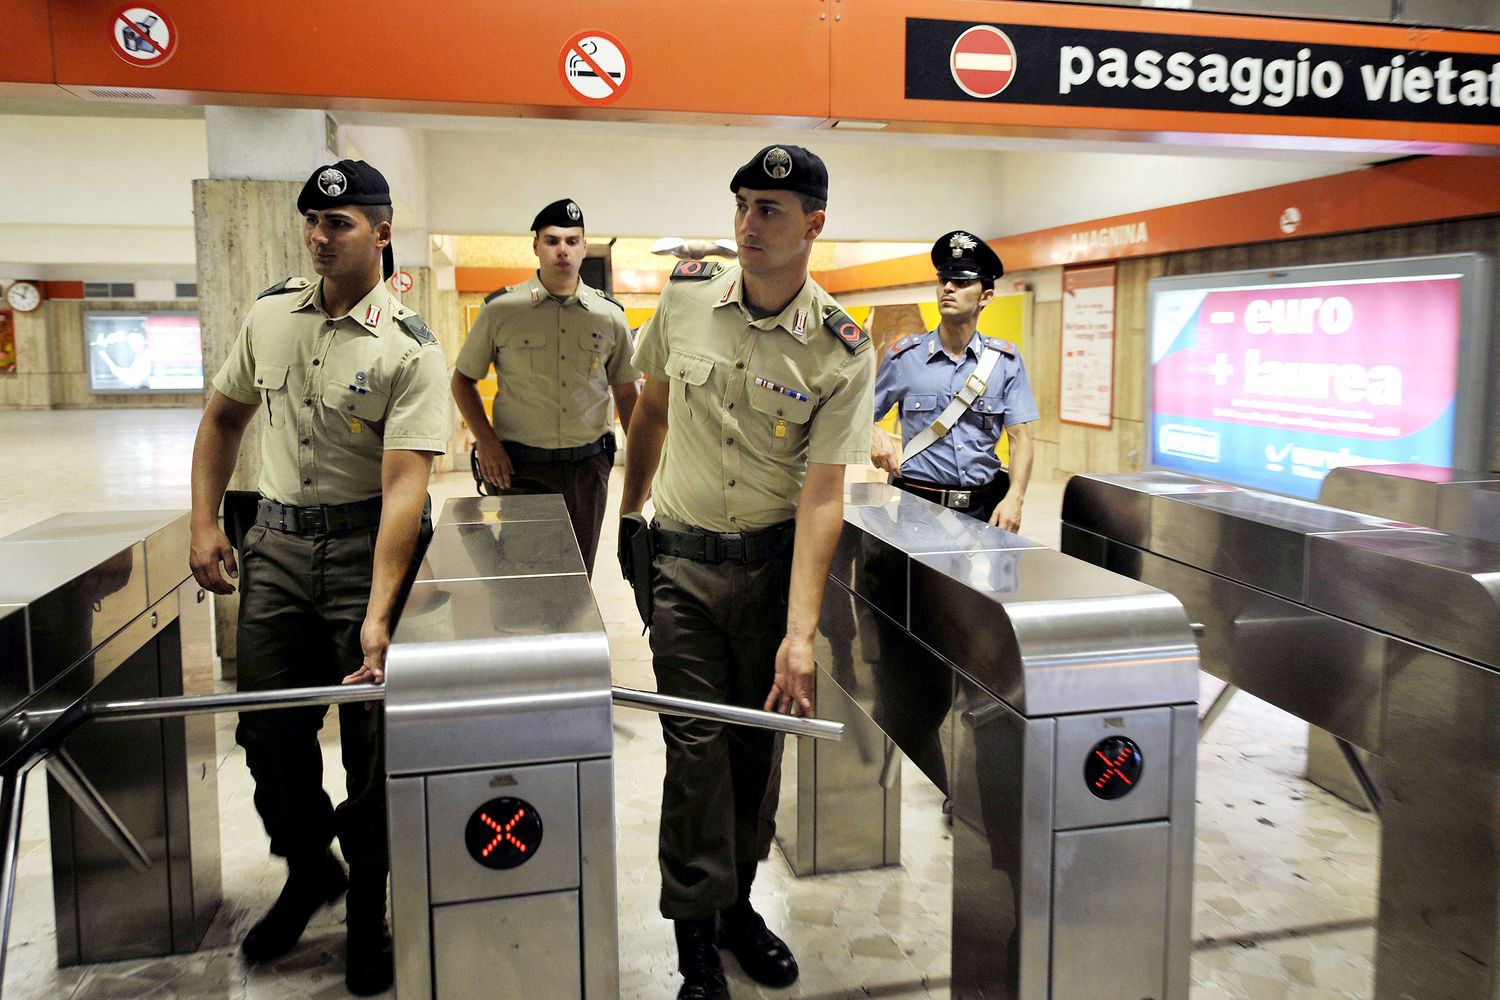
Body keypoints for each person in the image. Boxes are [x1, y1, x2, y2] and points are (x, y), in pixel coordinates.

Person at [187, 159, 448, 995]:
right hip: (277, 548)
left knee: (374, 749)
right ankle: (309, 870)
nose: (319, 236)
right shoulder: (271, 316)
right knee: (268, 733)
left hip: (371, 550)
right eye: (311, 220)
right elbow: (224, 417)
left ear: (381, 231)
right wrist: (204, 521)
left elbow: (405, 487)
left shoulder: (409, 347)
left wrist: (378, 612)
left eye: (339, 222)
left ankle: (368, 904)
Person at [620, 145, 875, 1000]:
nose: (748, 223)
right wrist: (630, 512)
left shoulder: (841, 349)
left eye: (769, 208)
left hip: (769, 574)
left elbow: (823, 496)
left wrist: (800, 636)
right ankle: (696, 936)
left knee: (755, 750)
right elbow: (651, 408)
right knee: (697, 750)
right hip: (683, 566)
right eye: (742, 204)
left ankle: (737, 908)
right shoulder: (688, 297)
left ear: (814, 224)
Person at [452, 198, 640, 576]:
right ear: (536, 246)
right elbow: (462, 380)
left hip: (588, 468)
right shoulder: (501, 310)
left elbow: (626, 393)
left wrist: (641, 467)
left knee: (578, 574)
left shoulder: (609, 315)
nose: (562, 250)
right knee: (526, 575)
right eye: (552, 241)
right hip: (521, 467)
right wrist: (486, 442)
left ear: (584, 248)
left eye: (572, 241)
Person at [870, 230, 1038, 531]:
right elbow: (856, 415)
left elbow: (1020, 438)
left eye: (961, 282)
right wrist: (870, 431)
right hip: (917, 506)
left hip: (983, 509)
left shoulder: (1005, 361)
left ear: (986, 296)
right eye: (944, 280)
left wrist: (1015, 497)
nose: (948, 288)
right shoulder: (904, 357)